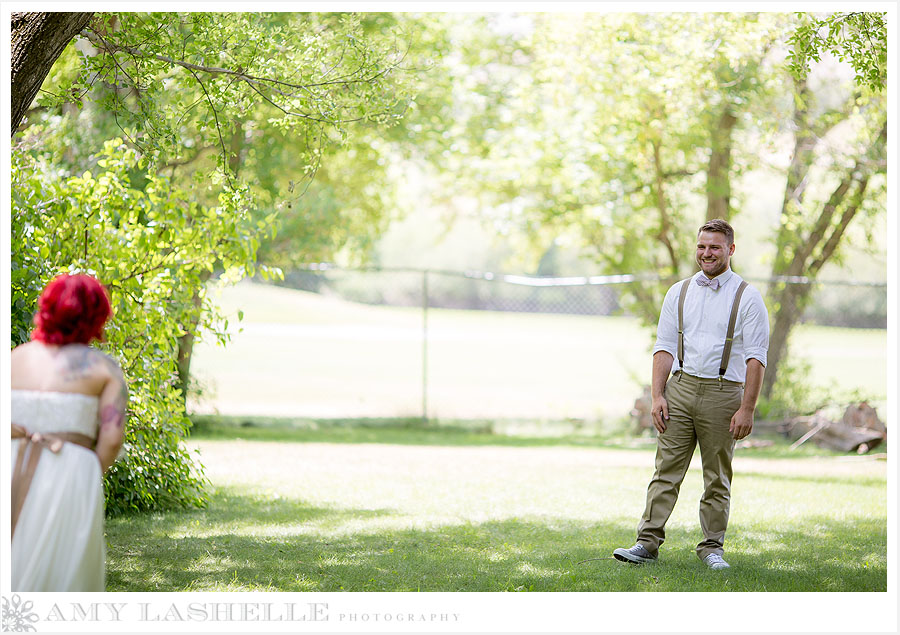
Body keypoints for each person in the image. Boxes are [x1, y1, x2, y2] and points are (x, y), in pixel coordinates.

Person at [613, 219, 769, 570]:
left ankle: (712, 548)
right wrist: (657, 396)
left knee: (716, 476)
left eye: (714, 247)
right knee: (665, 470)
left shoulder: (747, 296)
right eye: (701, 246)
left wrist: (748, 408)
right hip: (680, 389)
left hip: (724, 392)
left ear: (730, 250)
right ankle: (646, 544)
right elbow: (664, 347)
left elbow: (756, 357)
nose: (706, 253)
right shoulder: (678, 292)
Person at [10, 273, 128, 591]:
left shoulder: (16, 358)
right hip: (69, 475)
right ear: (97, 316)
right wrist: (84, 472)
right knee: (64, 574)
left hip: (9, 466)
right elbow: (112, 438)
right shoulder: (103, 369)